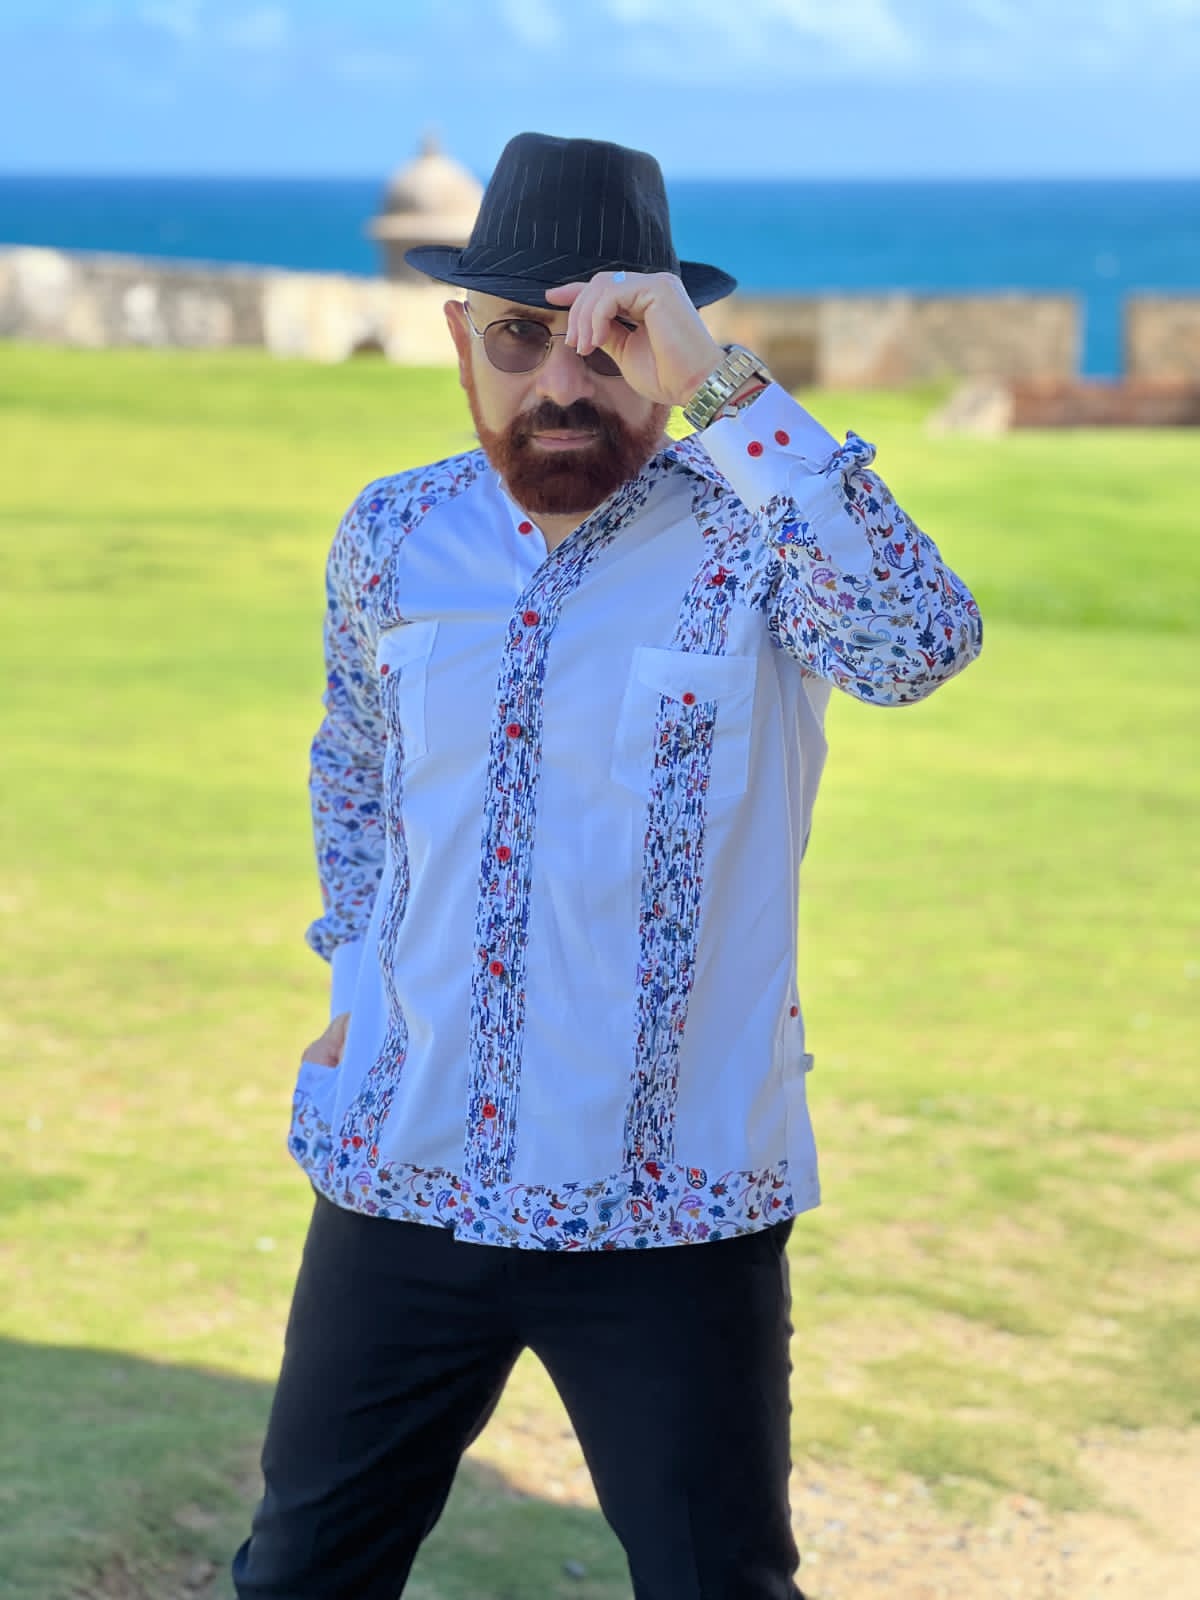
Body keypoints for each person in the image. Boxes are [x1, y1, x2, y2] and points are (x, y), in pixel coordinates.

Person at [232, 131, 982, 1600]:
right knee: (302, 1575)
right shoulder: (393, 534)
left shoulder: (758, 534)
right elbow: (358, 773)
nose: (563, 381)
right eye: (523, 335)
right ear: (462, 339)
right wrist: (352, 978)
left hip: (670, 1203)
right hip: (404, 1175)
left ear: (664, 341)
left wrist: (720, 389)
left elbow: (917, 643)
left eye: (609, 337)